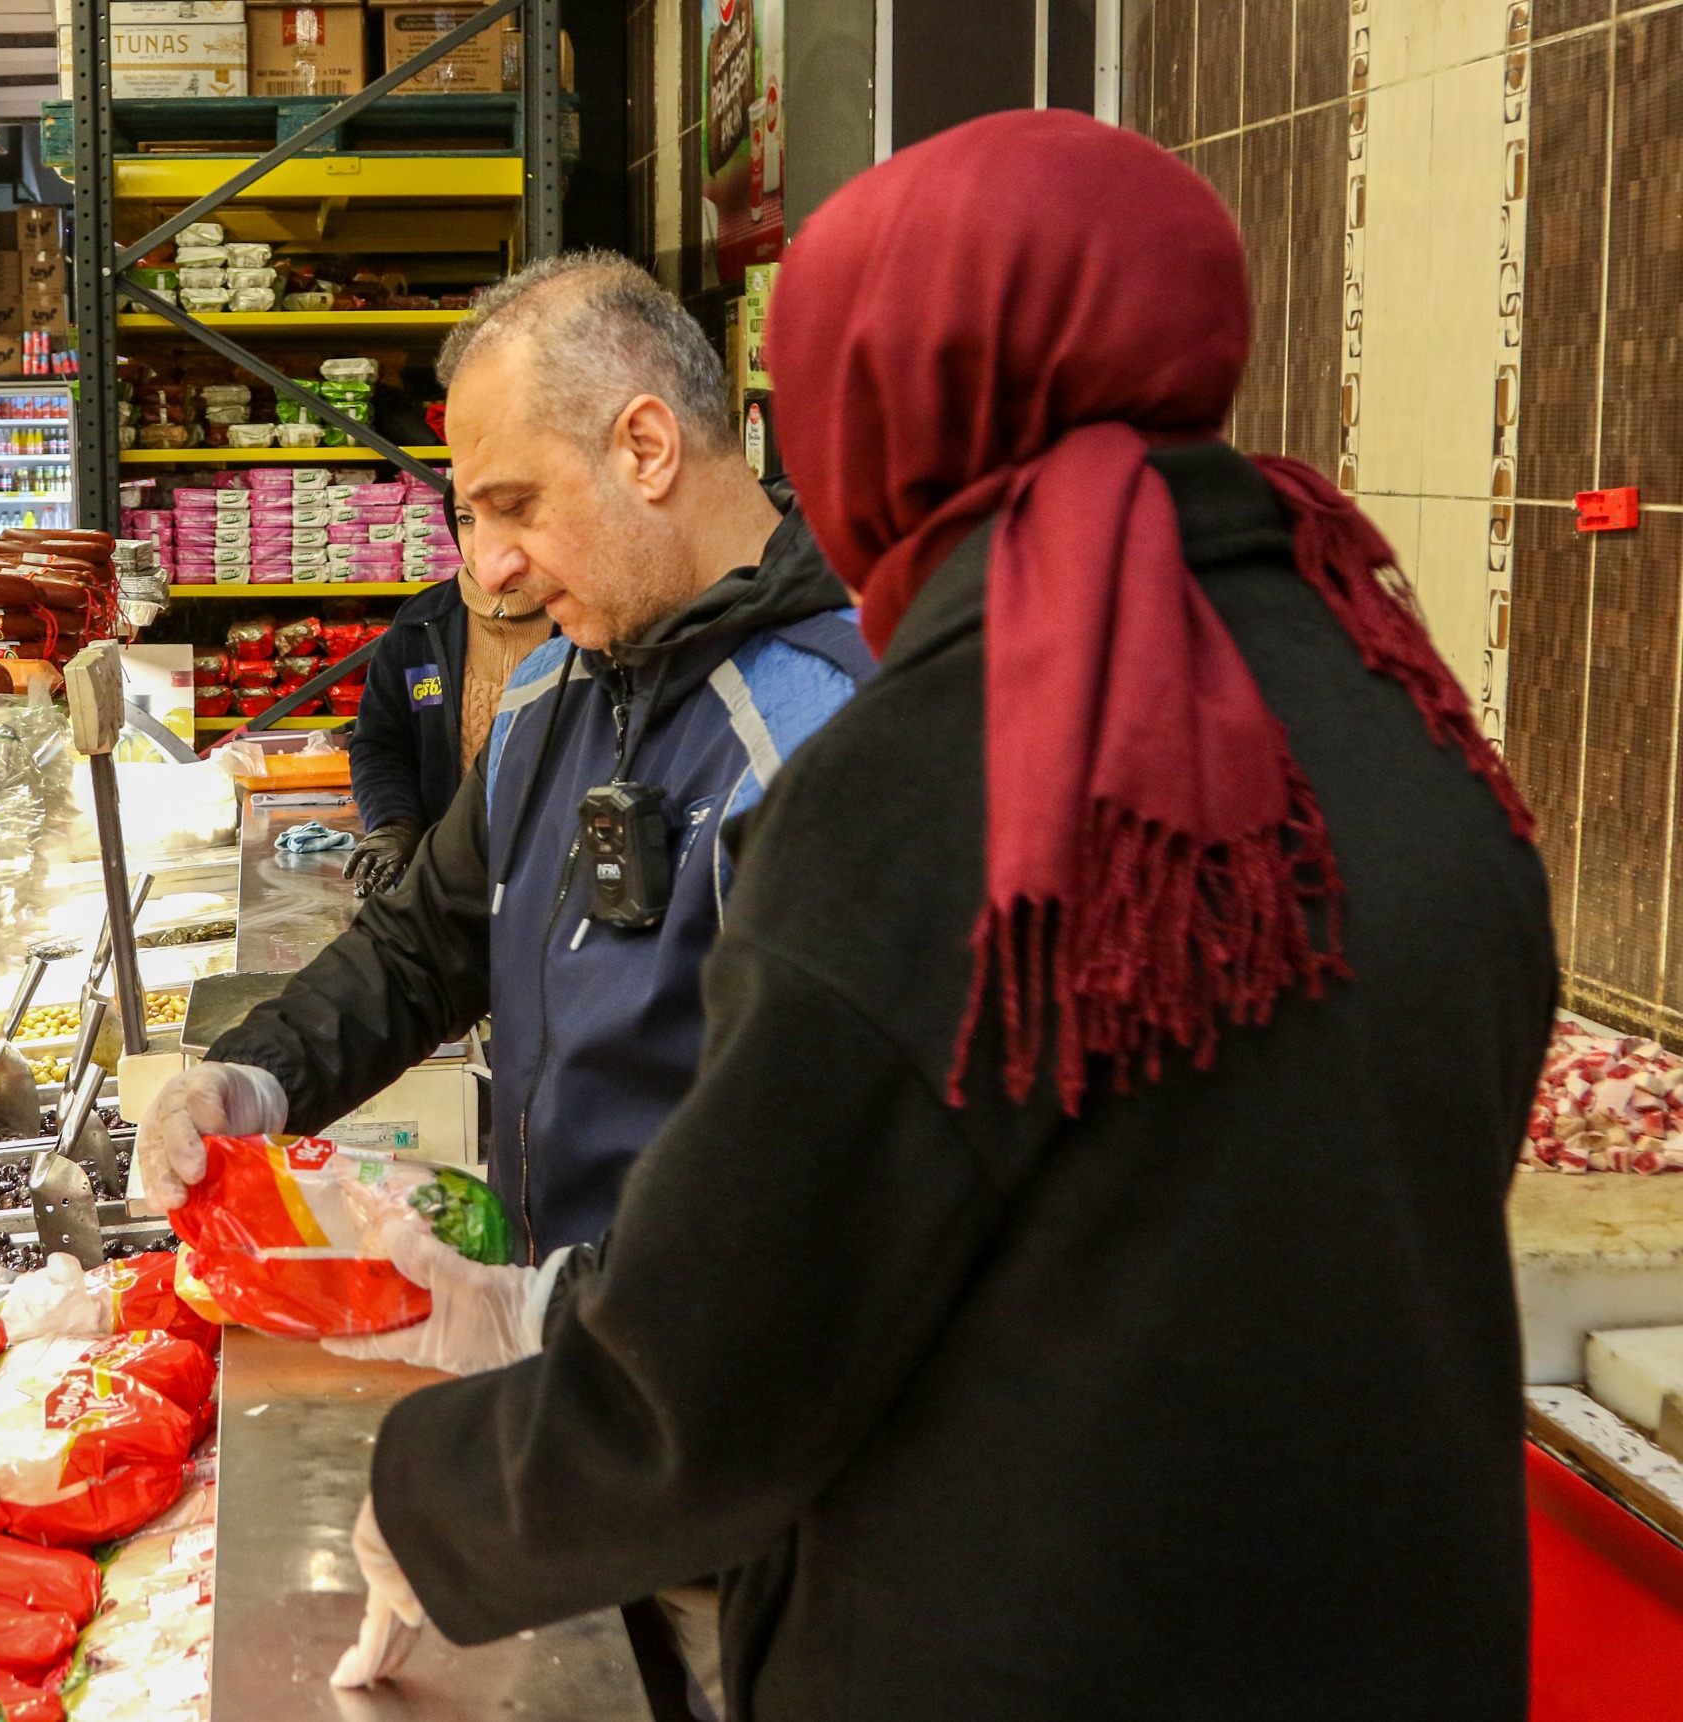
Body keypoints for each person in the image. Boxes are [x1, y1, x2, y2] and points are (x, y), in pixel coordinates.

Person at [314, 111, 1556, 1721]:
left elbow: (725, 1369)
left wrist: (436, 1494)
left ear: (895, 410)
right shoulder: (1406, 709)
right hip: (1404, 1636)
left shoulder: (953, 769)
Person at [142, 251, 875, 1270]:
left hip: (723, 1375)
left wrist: (555, 1326)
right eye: (469, 516)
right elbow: (422, 948)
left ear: (647, 449)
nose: (486, 567)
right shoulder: (554, 694)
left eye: (516, 505)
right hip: (581, 1343)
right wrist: (255, 1077)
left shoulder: (839, 732)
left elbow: (839, 1180)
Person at [342, 567, 555, 896]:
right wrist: (395, 823)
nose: (484, 540)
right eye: (466, 519)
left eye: (508, 515)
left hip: (557, 885)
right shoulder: (419, 626)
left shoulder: (587, 624)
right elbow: (381, 745)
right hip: (445, 887)